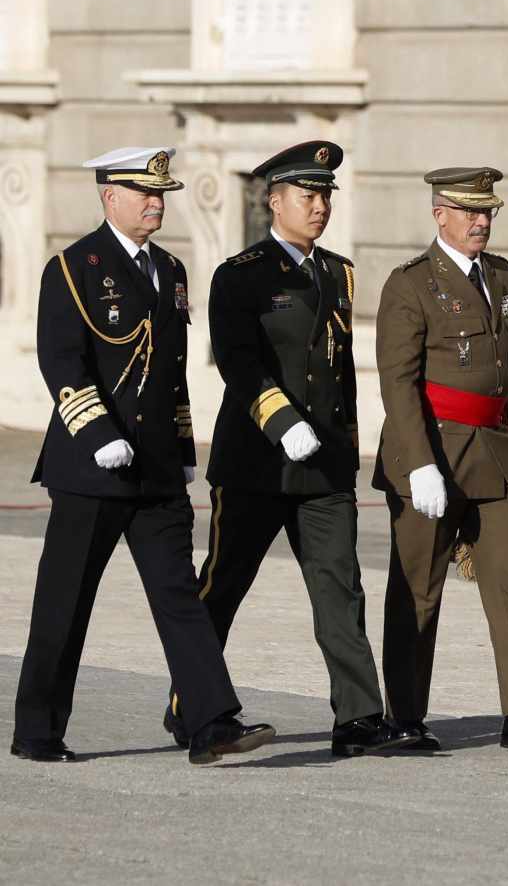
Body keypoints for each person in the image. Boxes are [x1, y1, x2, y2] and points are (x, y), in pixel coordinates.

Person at [13, 146, 274, 765]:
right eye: (145, 194)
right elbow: (62, 362)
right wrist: (98, 434)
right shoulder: (74, 268)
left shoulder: (171, 270)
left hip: (155, 470)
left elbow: (172, 373)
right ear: (110, 197)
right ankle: (38, 730)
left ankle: (212, 722)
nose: (157, 204)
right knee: (65, 601)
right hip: (90, 469)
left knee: (179, 596)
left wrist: (183, 449)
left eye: (161, 195)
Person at [168, 141, 417, 758]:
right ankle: (190, 705)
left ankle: (358, 719)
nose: (320, 206)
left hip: (324, 467)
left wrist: (348, 449)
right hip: (257, 462)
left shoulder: (337, 272)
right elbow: (237, 361)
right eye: (307, 195)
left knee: (341, 589)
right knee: (222, 585)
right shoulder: (240, 274)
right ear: (274, 201)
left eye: (326, 195)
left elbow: (340, 374)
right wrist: (281, 422)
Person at [374, 166, 508, 752]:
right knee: (418, 587)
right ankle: (405, 717)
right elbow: (398, 380)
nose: (480, 221)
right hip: (432, 451)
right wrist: (417, 463)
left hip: (493, 449)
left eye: (487, 211)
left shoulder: (502, 274)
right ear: (440, 214)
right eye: (468, 212)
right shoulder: (410, 283)